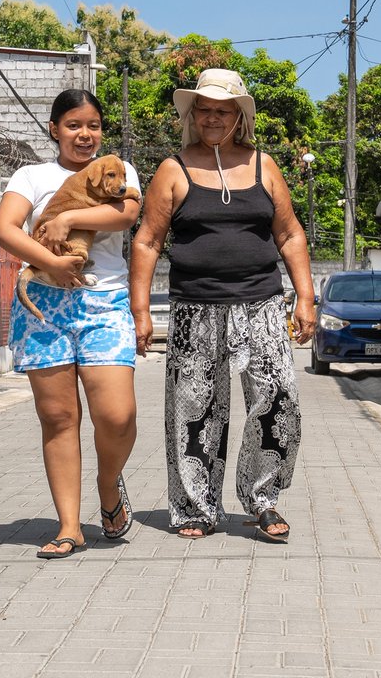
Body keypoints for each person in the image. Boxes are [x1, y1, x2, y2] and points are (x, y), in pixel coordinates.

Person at [129, 68, 316, 542]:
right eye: (205, 110)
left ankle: (263, 500)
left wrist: (306, 297)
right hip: (195, 308)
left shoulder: (263, 166)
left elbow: (290, 233)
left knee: (279, 401)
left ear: (239, 118)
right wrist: (141, 311)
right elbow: (148, 241)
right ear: (193, 115)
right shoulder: (173, 169)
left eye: (223, 111)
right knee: (195, 408)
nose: (213, 118)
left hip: (262, 304)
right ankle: (196, 507)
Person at [0, 89, 141, 559]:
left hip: (104, 302)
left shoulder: (119, 169)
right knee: (59, 418)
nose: (85, 134)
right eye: (74, 125)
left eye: (93, 125)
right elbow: (5, 227)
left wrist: (72, 215)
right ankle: (69, 526)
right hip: (44, 305)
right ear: (55, 128)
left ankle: (107, 484)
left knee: (117, 416)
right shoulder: (31, 175)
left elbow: (127, 213)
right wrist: (50, 265)